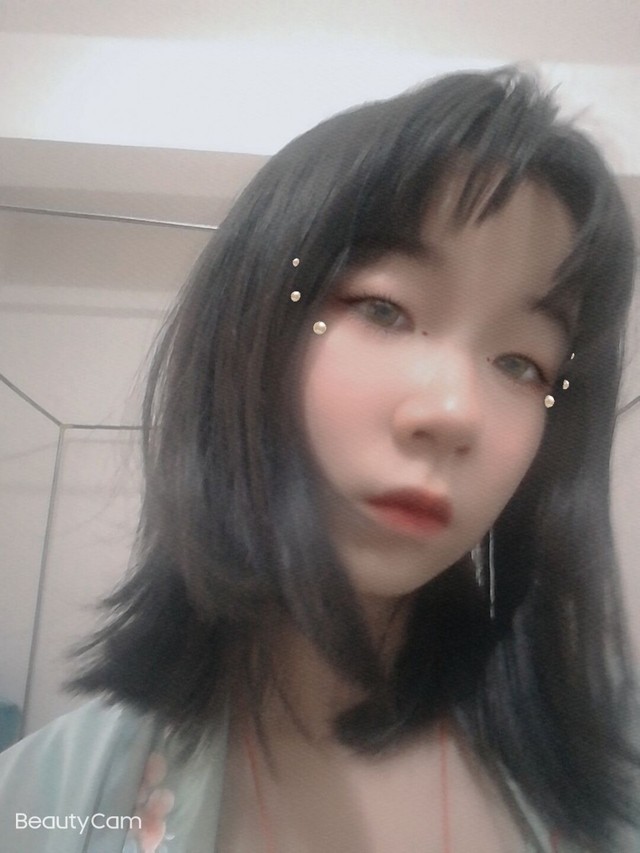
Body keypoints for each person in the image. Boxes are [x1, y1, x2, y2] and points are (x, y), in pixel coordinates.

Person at [0, 66, 638, 853]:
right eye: (383, 308)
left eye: (521, 363)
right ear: (245, 329)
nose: (454, 411)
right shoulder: (39, 806)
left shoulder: (609, 776)